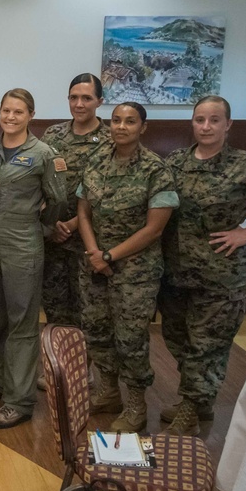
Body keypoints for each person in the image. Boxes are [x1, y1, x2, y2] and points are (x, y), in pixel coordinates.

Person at [159, 96, 246, 435]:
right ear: (192, 123)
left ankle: (191, 409)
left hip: (220, 275)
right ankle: (201, 400)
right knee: (177, 338)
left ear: (228, 124)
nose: (205, 127)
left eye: (214, 120)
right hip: (175, 273)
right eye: (199, 120)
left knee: (206, 345)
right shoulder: (175, 161)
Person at [76, 102, 178, 432]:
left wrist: (109, 256)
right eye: (117, 120)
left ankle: (135, 405)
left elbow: (154, 228)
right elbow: (83, 212)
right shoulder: (96, 161)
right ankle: (109, 393)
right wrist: (94, 252)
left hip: (136, 270)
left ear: (142, 127)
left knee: (130, 338)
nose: (121, 126)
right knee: (96, 331)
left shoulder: (155, 170)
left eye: (130, 121)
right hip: (95, 264)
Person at [0, 88, 67, 428]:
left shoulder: (43, 154)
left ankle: (19, 400)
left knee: (22, 321)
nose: (11, 117)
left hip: (24, 243)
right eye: (6, 110)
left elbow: (57, 200)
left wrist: (41, 227)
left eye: (18, 112)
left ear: (31, 115)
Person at [39, 73, 111, 328]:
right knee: (55, 311)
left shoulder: (111, 140)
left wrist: (70, 225)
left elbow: (110, 194)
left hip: (90, 242)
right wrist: (51, 224)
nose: (79, 104)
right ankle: (59, 367)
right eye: (74, 97)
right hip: (54, 241)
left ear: (100, 101)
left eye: (86, 98)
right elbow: (40, 182)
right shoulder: (53, 135)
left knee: (88, 314)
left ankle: (82, 368)